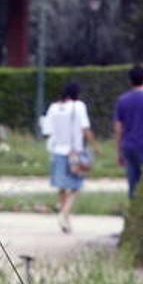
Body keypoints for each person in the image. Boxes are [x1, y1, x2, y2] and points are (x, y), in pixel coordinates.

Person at [41, 81, 95, 234]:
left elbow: (47, 130)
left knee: (62, 186)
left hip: (57, 150)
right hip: (74, 151)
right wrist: (95, 144)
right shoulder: (79, 106)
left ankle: (66, 219)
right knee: (77, 186)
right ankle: (64, 213)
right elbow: (85, 128)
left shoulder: (53, 107)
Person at [114, 64, 143, 198]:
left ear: (130, 81)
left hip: (128, 146)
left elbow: (118, 127)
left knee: (132, 183)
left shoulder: (122, 100)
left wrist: (119, 151)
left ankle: (134, 211)